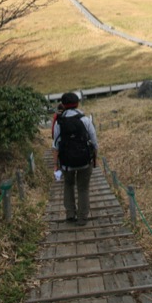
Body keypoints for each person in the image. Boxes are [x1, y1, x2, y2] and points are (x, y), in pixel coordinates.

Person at [52, 92, 98, 226]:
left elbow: (55, 146)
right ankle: (83, 217)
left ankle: (70, 214)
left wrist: (56, 165)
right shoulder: (85, 120)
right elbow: (94, 142)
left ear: (64, 105)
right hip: (85, 161)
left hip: (66, 162)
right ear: (77, 103)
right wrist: (95, 159)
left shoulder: (59, 123)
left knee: (68, 185)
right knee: (83, 188)